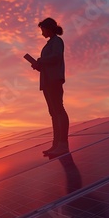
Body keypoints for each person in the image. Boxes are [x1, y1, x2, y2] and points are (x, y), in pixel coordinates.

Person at [31, 17, 70, 156]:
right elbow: (49, 63)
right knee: (53, 113)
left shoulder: (57, 41)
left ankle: (63, 144)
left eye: (42, 29)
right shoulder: (50, 43)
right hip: (48, 81)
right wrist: (39, 66)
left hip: (54, 80)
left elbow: (56, 57)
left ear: (48, 28)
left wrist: (41, 60)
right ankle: (56, 144)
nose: (42, 32)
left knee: (59, 110)